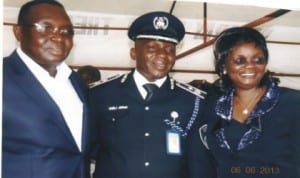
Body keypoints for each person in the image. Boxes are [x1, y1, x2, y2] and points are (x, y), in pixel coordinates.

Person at [88, 11, 206, 178]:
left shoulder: (194, 101)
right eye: (152, 47)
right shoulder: (100, 95)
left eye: (169, 50)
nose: (162, 55)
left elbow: (198, 162)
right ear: (134, 53)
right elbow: (85, 150)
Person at [187, 27, 300, 178]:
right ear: (223, 66)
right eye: (240, 60)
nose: (250, 66)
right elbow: (203, 162)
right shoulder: (212, 107)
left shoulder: (293, 103)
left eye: (257, 60)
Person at [2, 1, 91, 178]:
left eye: (66, 31)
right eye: (46, 28)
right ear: (18, 32)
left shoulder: (75, 81)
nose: (58, 37)